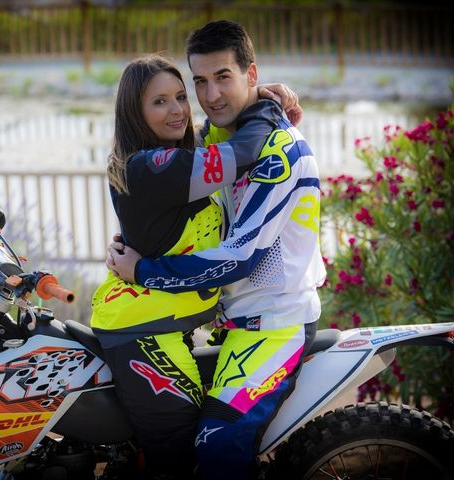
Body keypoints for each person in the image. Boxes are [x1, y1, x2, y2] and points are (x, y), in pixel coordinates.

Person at [107, 20, 326, 479]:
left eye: (223, 77)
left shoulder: (281, 153)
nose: (209, 97)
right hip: (232, 325)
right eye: (200, 82)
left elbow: (238, 258)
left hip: (276, 323)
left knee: (217, 446)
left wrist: (144, 270)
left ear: (250, 74)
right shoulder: (219, 137)